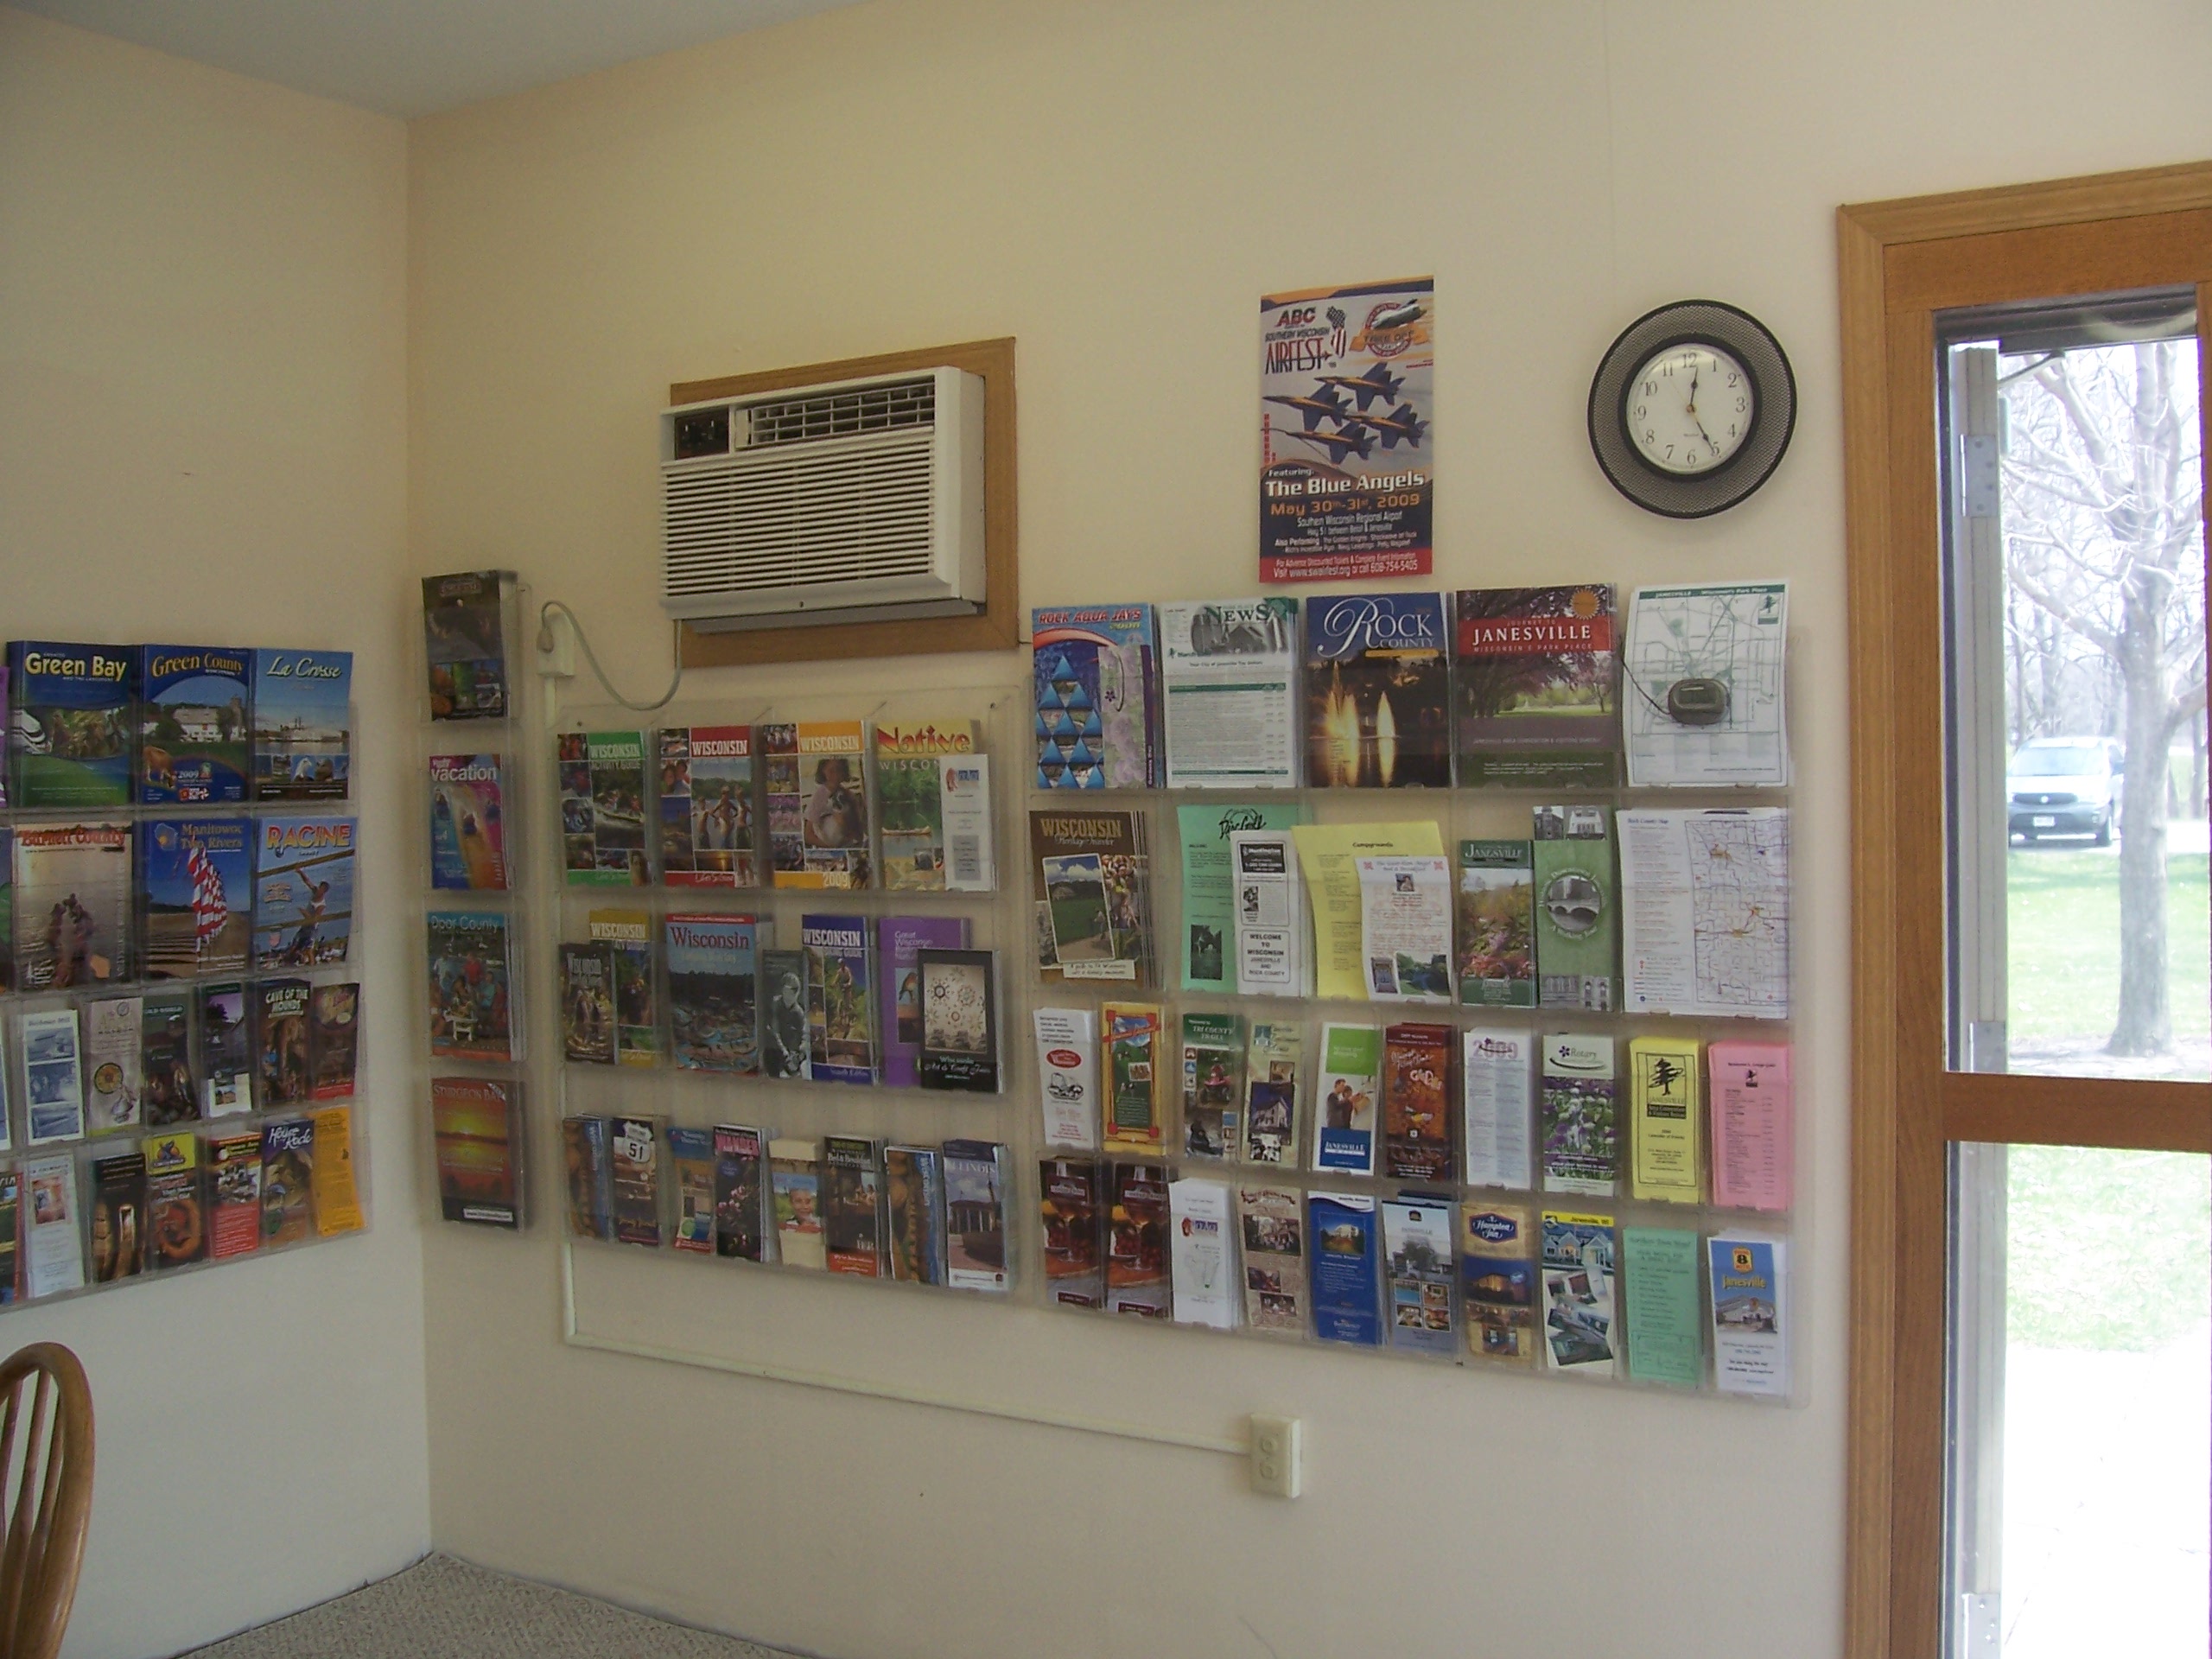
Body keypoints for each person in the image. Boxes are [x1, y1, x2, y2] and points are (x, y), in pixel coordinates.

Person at [805, 756, 864, 849]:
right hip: (827, 845)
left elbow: (857, 827)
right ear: (823, 771)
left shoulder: (848, 795)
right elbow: (808, 835)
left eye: (839, 770)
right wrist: (831, 848)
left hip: (847, 844)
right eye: (831, 771)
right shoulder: (820, 795)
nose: (836, 774)